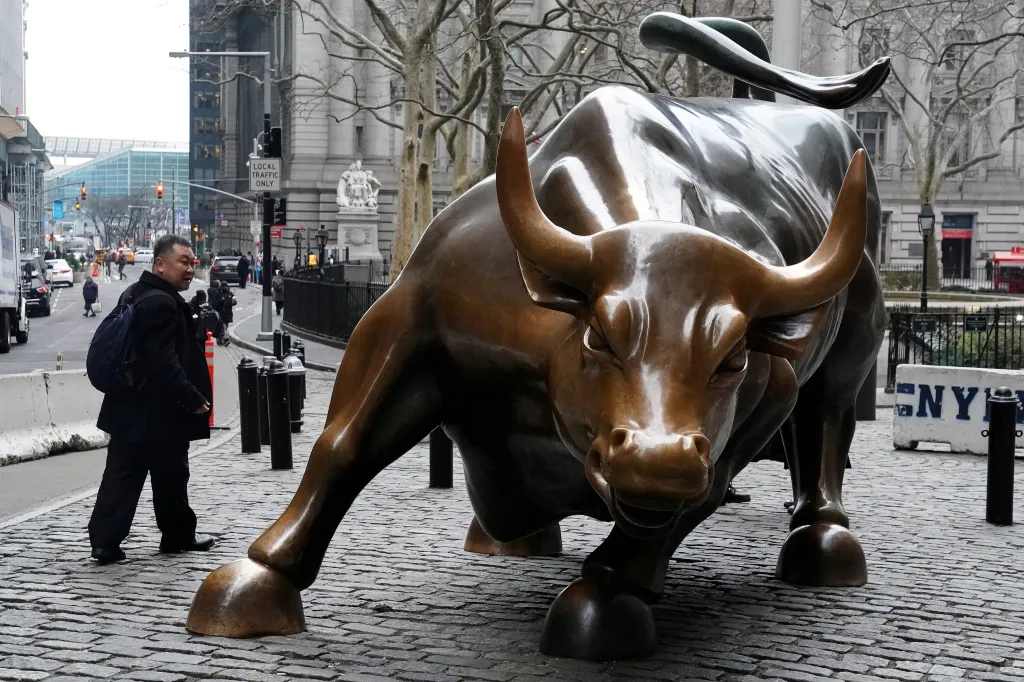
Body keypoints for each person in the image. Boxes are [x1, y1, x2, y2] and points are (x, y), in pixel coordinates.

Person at [88, 235, 215, 564]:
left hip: (129, 406)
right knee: (168, 474)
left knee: (126, 475)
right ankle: (176, 536)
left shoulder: (138, 292)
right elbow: (163, 362)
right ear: (160, 264)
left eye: (193, 263)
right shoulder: (161, 302)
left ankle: (107, 542)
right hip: (157, 411)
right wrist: (193, 399)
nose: (190, 269)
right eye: (183, 262)